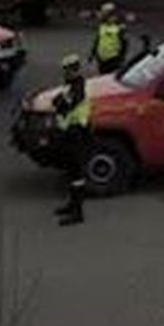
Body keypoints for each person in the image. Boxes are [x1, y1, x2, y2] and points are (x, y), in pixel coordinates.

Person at [53, 53, 92, 227]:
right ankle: (71, 205)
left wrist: (60, 103)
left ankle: (77, 212)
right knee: (71, 172)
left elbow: (65, 105)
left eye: (67, 70)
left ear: (73, 70)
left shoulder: (77, 87)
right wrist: (59, 102)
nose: (65, 73)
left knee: (77, 174)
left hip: (78, 133)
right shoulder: (71, 85)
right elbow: (58, 101)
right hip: (70, 132)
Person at [90, 1, 126, 75]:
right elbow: (98, 40)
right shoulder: (102, 26)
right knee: (103, 76)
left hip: (113, 59)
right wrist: (92, 54)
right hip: (101, 59)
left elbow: (124, 43)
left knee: (111, 76)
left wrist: (121, 58)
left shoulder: (119, 27)